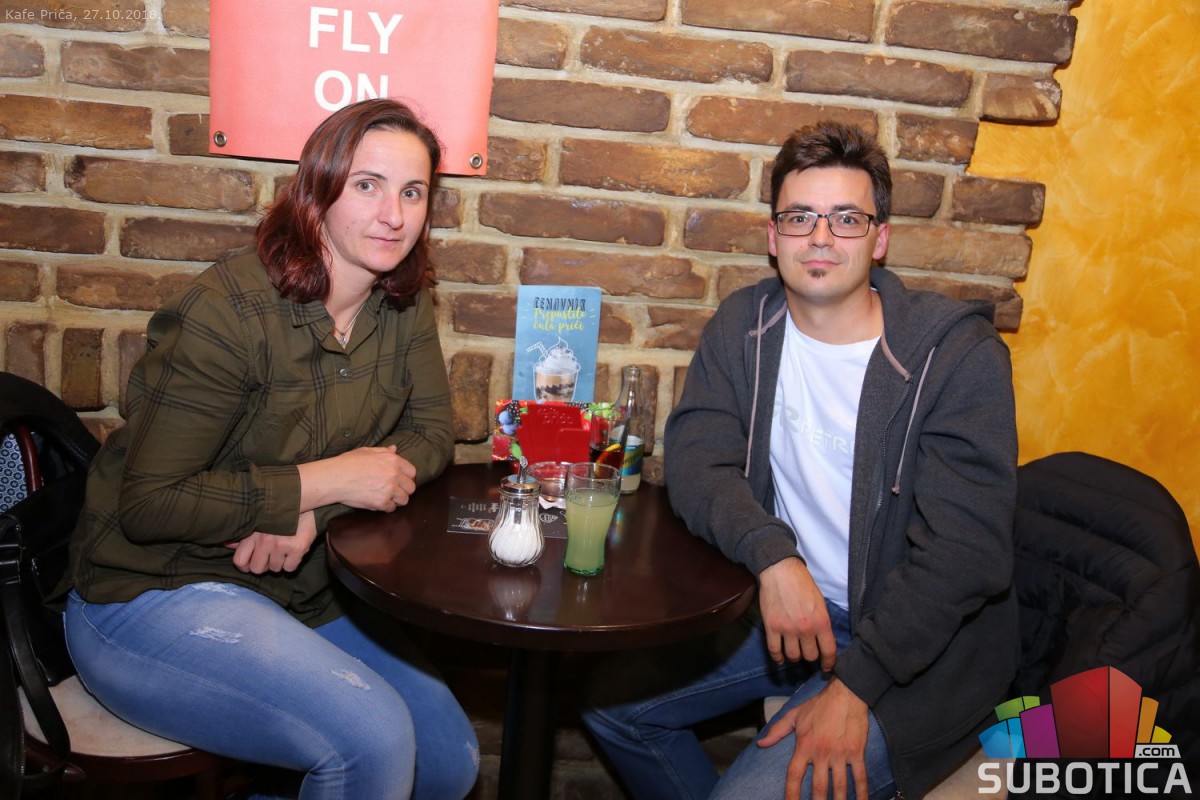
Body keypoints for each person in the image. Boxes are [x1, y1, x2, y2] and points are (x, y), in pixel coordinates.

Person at [582, 121, 1019, 800]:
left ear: (879, 239)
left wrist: (859, 685)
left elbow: (964, 554)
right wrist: (774, 559)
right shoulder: (745, 325)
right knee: (610, 708)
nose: (820, 237)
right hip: (792, 613)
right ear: (773, 236)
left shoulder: (956, 357)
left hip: (916, 646)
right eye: (800, 217)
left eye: (846, 218)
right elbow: (697, 459)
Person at [64, 98, 479, 799]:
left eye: (413, 192)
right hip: (150, 593)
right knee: (373, 740)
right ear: (318, 191)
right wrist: (323, 480)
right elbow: (151, 504)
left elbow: (433, 433)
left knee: (448, 761)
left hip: (298, 590)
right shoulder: (227, 312)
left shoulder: (401, 303)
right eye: (367, 185)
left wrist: (317, 509)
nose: (393, 215)